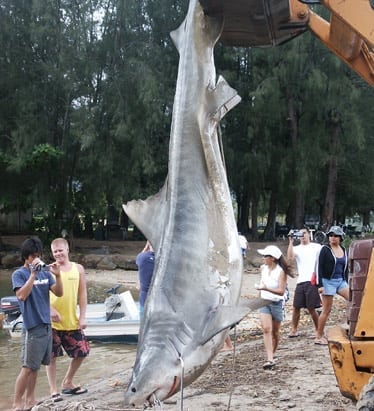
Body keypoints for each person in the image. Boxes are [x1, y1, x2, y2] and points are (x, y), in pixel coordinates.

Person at [12, 237, 63, 411]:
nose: (36, 259)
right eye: (33, 256)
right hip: (32, 326)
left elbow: (59, 292)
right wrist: (33, 274)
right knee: (27, 367)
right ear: (26, 257)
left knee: (36, 367)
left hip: (46, 325)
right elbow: (21, 296)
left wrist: (57, 275)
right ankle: (17, 403)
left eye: (39, 255)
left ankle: (30, 400)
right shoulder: (19, 274)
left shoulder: (45, 273)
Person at [46, 238, 90, 401]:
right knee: (51, 356)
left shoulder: (78, 269)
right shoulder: (49, 270)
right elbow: (40, 294)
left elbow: (83, 293)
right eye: (55, 252)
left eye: (60, 250)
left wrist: (83, 316)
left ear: (67, 250)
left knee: (82, 352)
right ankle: (53, 390)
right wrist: (49, 310)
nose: (58, 254)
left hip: (72, 319)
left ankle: (68, 382)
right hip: (52, 321)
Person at [256, 245, 294, 369]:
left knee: (275, 332)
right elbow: (262, 283)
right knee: (266, 329)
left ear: (272, 258)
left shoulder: (281, 272)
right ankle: (270, 358)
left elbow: (281, 291)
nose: (262, 258)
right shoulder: (263, 268)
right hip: (264, 302)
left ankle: (273, 353)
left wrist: (266, 288)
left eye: (265, 256)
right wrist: (260, 295)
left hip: (277, 303)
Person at [315, 226, 349, 345]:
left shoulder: (344, 249)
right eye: (330, 235)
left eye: (335, 236)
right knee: (327, 310)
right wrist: (320, 285)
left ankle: (351, 323)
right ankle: (319, 336)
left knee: (354, 299)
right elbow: (318, 267)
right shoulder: (325, 249)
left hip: (340, 281)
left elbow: (345, 267)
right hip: (327, 281)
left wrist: (346, 280)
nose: (332, 238)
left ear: (340, 238)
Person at [287, 227, 322, 337]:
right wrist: (291, 242)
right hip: (301, 280)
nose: (303, 235)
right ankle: (294, 329)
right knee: (296, 307)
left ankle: (318, 329)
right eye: (300, 233)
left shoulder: (316, 247)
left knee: (311, 308)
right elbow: (290, 257)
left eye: (305, 233)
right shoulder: (297, 248)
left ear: (309, 234)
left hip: (312, 280)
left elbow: (323, 260)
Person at [136, 240, 155, 317]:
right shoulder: (165, 260)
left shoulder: (142, 258)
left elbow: (138, 261)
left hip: (145, 302)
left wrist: (145, 249)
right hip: (161, 304)